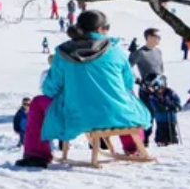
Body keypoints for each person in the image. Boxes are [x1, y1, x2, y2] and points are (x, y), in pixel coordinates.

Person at [18, 10, 151, 168]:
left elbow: (50, 89)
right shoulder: (116, 51)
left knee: (38, 103)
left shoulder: (63, 53)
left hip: (77, 115)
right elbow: (127, 84)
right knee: (124, 99)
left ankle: (37, 155)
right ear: (100, 29)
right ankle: (133, 146)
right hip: (118, 115)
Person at [146, 75, 182, 146]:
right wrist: (161, 107)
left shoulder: (171, 93)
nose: (160, 91)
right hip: (161, 119)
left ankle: (173, 142)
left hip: (171, 119)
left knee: (172, 132)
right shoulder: (153, 96)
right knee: (161, 132)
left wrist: (175, 106)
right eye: (158, 89)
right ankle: (161, 142)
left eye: (161, 88)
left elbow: (177, 102)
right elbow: (155, 106)